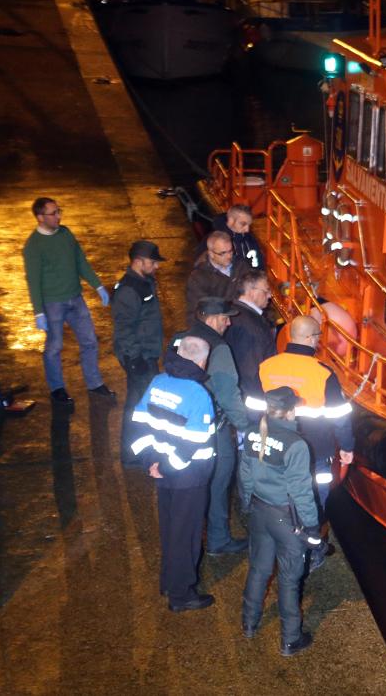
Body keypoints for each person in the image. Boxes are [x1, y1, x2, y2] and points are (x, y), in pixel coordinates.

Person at [250, 315, 354, 572]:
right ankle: (311, 550)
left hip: (273, 445)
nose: (319, 341)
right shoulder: (323, 373)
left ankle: (282, 544)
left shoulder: (266, 366)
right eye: (318, 336)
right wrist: (347, 446)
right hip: (314, 450)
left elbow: (252, 408)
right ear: (310, 338)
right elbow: (338, 415)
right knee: (314, 500)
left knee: (280, 498)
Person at [129, 336, 216, 612]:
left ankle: (168, 581)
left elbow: (140, 424)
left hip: (162, 473)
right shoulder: (199, 394)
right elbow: (192, 442)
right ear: (202, 360)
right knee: (186, 535)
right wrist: (166, 466)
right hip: (188, 477)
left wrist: (151, 462)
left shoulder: (157, 382)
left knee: (169, 529)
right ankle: (182, 594)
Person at [238, 386, 319, 656]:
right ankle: (290, 640)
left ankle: (249, 623)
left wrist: (247, 503)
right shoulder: (296, 444)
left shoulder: (251, 432)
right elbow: (301, 491)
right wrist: (311, 526)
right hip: (287, 519)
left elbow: (245, 475)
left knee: (259, 570)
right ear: (291, 410)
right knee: (288, 578)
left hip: (260, 512)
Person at [169, 297, 250, 555]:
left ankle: (186, 539)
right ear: (212, 319)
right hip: (213, 429)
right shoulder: (219, 348)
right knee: (218, 483)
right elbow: (228, 394)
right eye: (226, 317)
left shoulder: (180, 339)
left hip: (180, 425)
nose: (228, 322)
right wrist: (244, 424)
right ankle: (218, 539)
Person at [22, 197, 114, 405]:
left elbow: (80, 261)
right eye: (53, 213)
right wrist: (38, 312)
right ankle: (57, 388)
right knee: (54, 347)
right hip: (52, 303)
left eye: (58, 211)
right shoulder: (33, 246)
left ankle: (94, 383)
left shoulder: (66, 234)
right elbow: (33, 281)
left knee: (89, 341)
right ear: (40, 217)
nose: (58, 216)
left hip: (75, 298)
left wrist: (97, 285)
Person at [111, 240, 166, 466]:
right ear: (138, 262)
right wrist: (134, 358)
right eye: (152, 262)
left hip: (146, 353)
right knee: (141, 408)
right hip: (140, 356)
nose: (157, 266)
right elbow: (123, 328)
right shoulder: (128, 290)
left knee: (138, 404)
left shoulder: (143, 283)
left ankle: (132, 454)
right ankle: (136, 455)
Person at [225, 269, 277, 421]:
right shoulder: (251, 326)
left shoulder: (234, 312)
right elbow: (251, 370)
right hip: (251, 402)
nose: (270, 295)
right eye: (266, 291)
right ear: (251, 291)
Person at [185, 231, 237, 325]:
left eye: (231, 251)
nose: (229, 256)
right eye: (223, 253)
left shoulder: (242, 267)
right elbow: (197, 312)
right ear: (211, 254)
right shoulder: (198, 278)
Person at [211, 204, 263, 271]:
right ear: (231, 220)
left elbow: (259, 264)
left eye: (249, 225)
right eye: (243, 224)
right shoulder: (214, 240)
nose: (247, 229)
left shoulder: (249, 239)